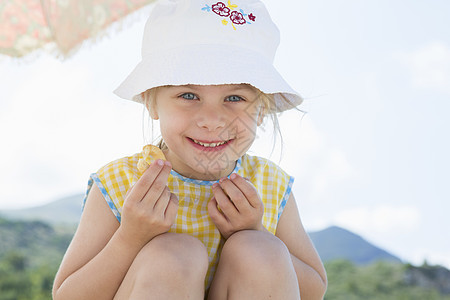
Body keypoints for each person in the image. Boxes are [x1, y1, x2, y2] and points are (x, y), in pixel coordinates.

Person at [52, 0, 327, 299]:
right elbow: (68, 295)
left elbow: (313, 289)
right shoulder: (123, 183)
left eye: (234, 98)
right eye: (188, 95)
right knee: (173, 256)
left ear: (262, 110)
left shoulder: (269, 184)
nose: (211, 120)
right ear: (151, 101)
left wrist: (255, 229)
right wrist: (130, 238)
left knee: (262, 250)